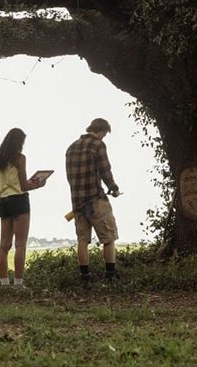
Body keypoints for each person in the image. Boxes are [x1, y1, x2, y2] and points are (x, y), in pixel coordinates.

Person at [65, 118, 121, 284]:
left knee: (82, 240)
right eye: (104, 134)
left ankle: (85, 276)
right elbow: (105, 170)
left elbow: (70, 177)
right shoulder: (98, 145)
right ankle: (111, 275)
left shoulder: (71, 148)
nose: (103, 138)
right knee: (109, 237)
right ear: (102, 130)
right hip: (95, 200)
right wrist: (114, 188)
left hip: (77, 202)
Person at [0, 127, 47, 287]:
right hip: (19, 200)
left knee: (4, 245)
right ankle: (18, 283)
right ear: (19, 142)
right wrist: (38, 184)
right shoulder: (20, 158)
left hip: (4, 201)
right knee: (20, 245)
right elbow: (23, 185)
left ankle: (4, 282)